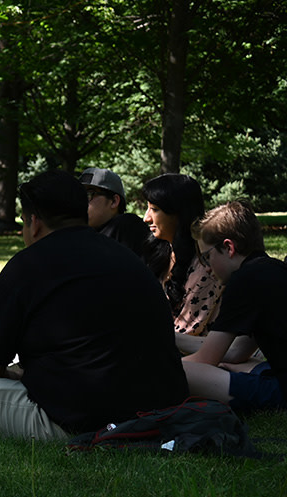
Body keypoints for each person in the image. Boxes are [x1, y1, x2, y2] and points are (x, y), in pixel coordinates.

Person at [0, 170, 188, 440]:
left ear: (34, 222)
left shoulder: (26, 267)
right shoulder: (128, 259)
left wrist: (16, 376)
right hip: (159, 408)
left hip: (81, 418)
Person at [181, 201, 287, 413]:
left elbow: (206, 360)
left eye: (207, 257)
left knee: (170, 371)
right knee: (230, 365)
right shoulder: (272, 269)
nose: (207, 269)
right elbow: (237, 352)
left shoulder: (245, 280)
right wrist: (167, 337)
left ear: (229, 247)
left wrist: (159, 361)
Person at [143, 173, 222, 336]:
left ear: (179, 213)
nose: (146, 218)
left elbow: (188, 330)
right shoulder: (162, 252)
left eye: (155, 210)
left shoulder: (205, 264)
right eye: (147, 208)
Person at [80, 167, 150, 254]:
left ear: (114, 201)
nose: (80, 201)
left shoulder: (127, 226)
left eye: (89, 194)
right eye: (78, 195)